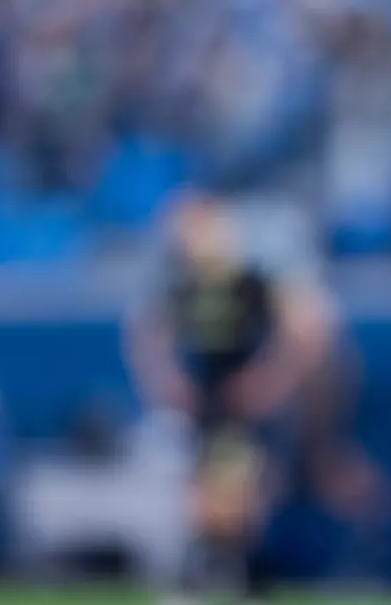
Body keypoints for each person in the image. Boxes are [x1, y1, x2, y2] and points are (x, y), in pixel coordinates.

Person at [124, 191, 332, 604]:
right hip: (206, 401)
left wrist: (270, 382)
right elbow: (146, 333)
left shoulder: (253, 276)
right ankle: (203, 574)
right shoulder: (180, 280)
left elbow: (309, 331)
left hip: (245, 404)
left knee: (245, 492)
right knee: (201, 492)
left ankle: (248, 574)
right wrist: (167, 381)